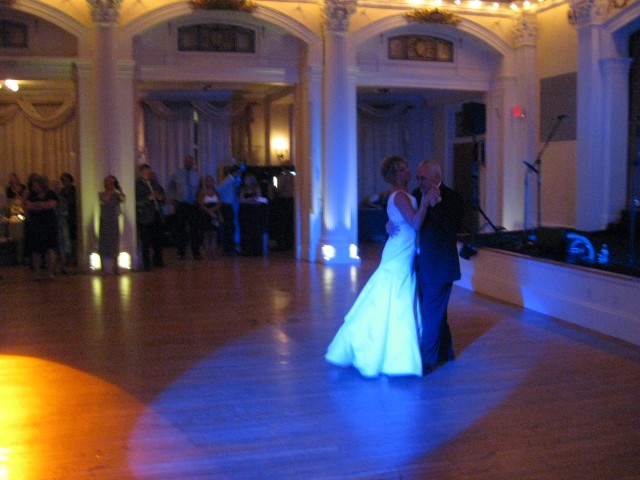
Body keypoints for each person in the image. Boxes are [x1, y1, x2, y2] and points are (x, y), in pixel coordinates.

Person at [325, 156, 434, 377]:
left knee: (395, 296)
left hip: (403, 250)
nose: (408, 170)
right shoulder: (400, 196)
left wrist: (390, 223)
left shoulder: (403, 194)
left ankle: (396, 354)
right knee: (394, 296)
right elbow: (414, 223)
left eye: (406, 166)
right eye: (402, 169)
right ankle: (392, 355)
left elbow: (401, 220)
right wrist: (425, 202)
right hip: (398, 253)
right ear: (395, 175)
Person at [412, 160, 465, 374]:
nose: (419, 182)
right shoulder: (416, 195)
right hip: (420, 264)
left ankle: (427, 361)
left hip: (441, 266)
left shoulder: (453, 197)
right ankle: (446, 350)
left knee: (431, 314)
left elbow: (454, 229)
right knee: (435, 311)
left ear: (436, 177)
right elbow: (410, 220)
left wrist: (434, 206)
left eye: (422, 178)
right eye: (418, 178)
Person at [23, 175, 58, 280]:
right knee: (36, 249)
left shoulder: (51, 193)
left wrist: (36, 205)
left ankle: (49, 272)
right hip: (36, 225)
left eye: (35, 184)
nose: (33, 186)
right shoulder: (31, 195)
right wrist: (42, 205)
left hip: (49, 225)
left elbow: (52, 205)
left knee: (49, 249)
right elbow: (28, 206)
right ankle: (37, 272)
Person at [167, 155, 202, 260]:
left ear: (193, 162)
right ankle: (180, 252)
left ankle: (196, 252)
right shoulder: (177, 174)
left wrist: (200, 201)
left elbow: (200, 189)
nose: (188, 163)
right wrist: (172, 198)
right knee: (180, 229)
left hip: (193, 205)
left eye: (190, 161)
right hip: (181, 204)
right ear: (183, 162)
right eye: (186, 161)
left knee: (195, 229)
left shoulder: (197, 174)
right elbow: (170, 187)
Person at [136, 164, 165, 271]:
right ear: (141, 173)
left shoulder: (154, 183)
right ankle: (146, 264)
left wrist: (161, 198)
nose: (148, 175)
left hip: (157, 214)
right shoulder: (137, 185)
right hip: (145, 217)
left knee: (158, 240)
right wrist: (148, 198)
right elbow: (137, 202)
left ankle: (158, 260)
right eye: (146, 173)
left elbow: (162, 194)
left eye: (149, 173)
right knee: (146, 241)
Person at [98, 175, 125, 275]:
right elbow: (105, 200)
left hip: (114, 221)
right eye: (109, 182)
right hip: (104, 221)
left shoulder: (116, 194)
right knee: (103, 243)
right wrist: (112, 191)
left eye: (112, 182)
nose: (111, 184)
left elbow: (123, 199)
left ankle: (116, 266)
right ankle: (102, 268)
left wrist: (120, 190)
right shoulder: (101, 194)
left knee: (115, 243)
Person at [217, 165, 241, 255]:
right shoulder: (228, 181)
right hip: (226, 205)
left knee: (230, 227)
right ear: (235, 172)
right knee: (229, 227)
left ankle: (229, 247)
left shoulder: (231, 181)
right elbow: (219, 189)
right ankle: (228, 248)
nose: (239, 174)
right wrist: (222, 199)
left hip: (228, 205)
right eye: (238, 172)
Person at [197, 174, 222, 260]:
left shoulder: (216, 192)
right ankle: (207, 254)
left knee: (214, 234)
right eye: (207, 180)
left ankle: (214, 253)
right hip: (205, 215)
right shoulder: (201, 192)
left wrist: (213, 211)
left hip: (215, 214)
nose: (210, 182)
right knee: (207, 234)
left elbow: (219, 203)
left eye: (211, 180)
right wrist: (209, 211)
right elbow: (201, 204)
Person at [59, 172, 77, 265]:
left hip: (72, 216)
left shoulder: (74, 190)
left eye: (65, 180)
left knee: (73, 237)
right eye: (62, 180)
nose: (64, 182)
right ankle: (67, 258)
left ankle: (74, 257)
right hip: (64, 217)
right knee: (65, 238)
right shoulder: (61, 191)